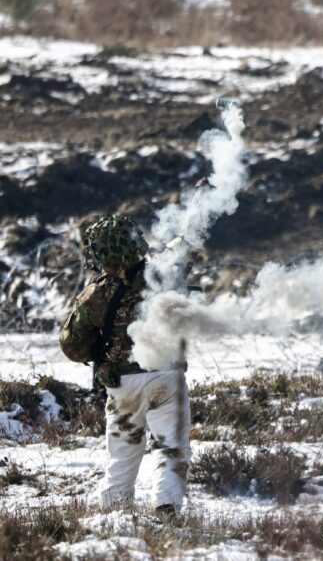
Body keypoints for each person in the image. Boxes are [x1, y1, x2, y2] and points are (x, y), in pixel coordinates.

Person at [58, 214, 190, 516]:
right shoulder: (165, 275)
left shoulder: (96, 292)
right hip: (166, 377)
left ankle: (114, 517)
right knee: (171, 449)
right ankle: (167, 509)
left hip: (122, 384)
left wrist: (100, 357)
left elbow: (71, 344)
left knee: (123, 455)